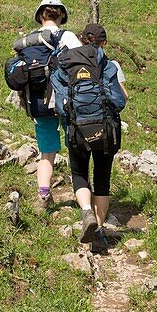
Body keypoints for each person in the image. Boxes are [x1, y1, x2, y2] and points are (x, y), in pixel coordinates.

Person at [53, 22, 127, 252]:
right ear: (103, 43)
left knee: (79, 173)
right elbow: (120, 100)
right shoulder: (109, 64)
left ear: (81, 39)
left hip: (77, 130)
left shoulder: (65, 64)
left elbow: (59, 103)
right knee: (102, 178)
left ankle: (86, 213)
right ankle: (100, 229)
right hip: (105, 130)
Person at [10, 0, 83, 209]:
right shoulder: (67, 36)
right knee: (76, 148)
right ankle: (83, 195)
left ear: (40, 16)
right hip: (67, 101)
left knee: (47, 153)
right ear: (61, 15)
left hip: (39, 103)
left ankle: (43, 195)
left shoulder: (28, 41)